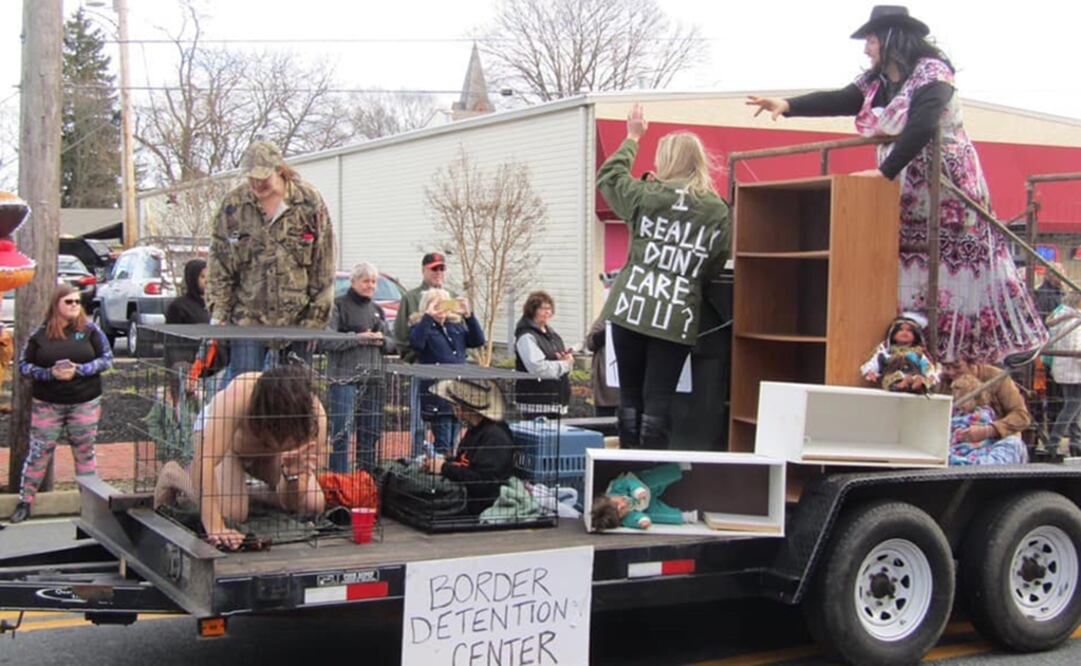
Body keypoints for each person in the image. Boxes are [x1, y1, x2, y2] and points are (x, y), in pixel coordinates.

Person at [747, 5, 1046, 365]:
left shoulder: (933, 75)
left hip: (946, 187)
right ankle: (917, 350)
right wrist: (788, 105)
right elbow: (842, 98)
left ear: (891, 37)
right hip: (906, 190)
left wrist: (885, 171)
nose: (866, 49)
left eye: (871, 40)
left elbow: (921, 125)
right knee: (909, 264)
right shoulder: (877, 82)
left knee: (951, 264)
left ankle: (968, 351)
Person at [596, 103, 730, 450]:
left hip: (631, 306)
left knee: (629, 397)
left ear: (667, 161)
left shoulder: (647, 195)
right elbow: (716, 260)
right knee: (659, 400)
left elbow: (609, 178)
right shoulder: (716, 209)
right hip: (675, 314)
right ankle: (651, 473)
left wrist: (632, 137)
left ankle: (626, 470)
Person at [154, 364, 328, 550]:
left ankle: (242, 492)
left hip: (268, 456)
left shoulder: (314, 423)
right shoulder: (239, 394)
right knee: (231, 512)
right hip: (227, 446)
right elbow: (204, 460)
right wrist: (216, 526)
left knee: (313, 502)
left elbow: (290, 503)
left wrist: (291, 475)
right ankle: (174, 474)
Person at [206, 140, 335, 379]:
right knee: (244, 393)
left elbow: (324, 265)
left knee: (292, 398)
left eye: (263, 178)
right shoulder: (233, 206)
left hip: (297, 321)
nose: (257, 184)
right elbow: (219, 263)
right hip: (248, 319)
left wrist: (316, 320)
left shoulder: (308, 202)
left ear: (279, 170)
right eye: (251, 178)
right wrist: (219, 313)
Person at [9, 285, 113, 524]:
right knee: (39, 451)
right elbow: (24, 365)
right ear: (56, 304)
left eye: (77, 302)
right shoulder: (40, 334)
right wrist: (49, 373)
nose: (75, 306)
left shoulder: (90, 330)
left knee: (85, 452)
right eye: (69, 302)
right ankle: (26, 501)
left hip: (84, 401)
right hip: (48, 403)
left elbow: (107, 359)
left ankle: (89, 504)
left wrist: (81, 370)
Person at [323, 261, 395, 472]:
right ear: (353, 282)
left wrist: (382, 340)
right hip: (343, 378)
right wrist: (358, 338)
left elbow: (393, 343)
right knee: (341, 432)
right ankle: (339, 476)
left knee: (370, 431)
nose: (370, 286)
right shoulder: (338, 306)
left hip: (373, 379)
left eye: (373, 282)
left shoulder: (377, 310)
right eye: (366, 281)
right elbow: (326, 340)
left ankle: (366, 476)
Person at [422, 379, 515, 516]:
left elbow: (484, 483)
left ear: (463, 408)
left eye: (455, 404)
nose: (453, 409)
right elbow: (466, 464)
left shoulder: (495, 436)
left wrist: (443, 468)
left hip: (479, 503)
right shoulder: (476, 429)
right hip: (464, 494)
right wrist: (442, 464)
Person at [408, 288, 485, 453]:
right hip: (438, 394)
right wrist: (428, 316)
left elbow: (478, 340)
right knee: (443, 442)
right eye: (437, 305)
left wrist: (469, 316)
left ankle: (443, 466)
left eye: (445, 304)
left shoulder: (455, 327)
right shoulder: (422, 327)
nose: (441, 310)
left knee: (454, 442)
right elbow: (417, 344)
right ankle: (438, 468)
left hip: (457, 394)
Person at [940, 356, 1029, 465]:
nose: (951, 372)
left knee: (1014, 444)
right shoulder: (944, 381)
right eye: (946, 367)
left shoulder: (997, 377)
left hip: (994, 444)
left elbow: (1021, 416)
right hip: (956, 447)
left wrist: (989, 430)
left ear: (973, 362)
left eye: (957, 366)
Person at [514, 290, 573, 415]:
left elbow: (557, 360)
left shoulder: (553, 335)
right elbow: (538, 368)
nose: (548, 312)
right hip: (536, 401)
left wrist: (564, 359)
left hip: (556, 400)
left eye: (550, 309)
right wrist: (565, 365)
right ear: (532, 310)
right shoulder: (526, 336)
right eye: (543, 308)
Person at [591, 463, 698, 531]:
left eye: (617, 503)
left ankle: (678, 468)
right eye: (622, 511)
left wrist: (637, 491)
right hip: (645, 506)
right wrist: (642, 521)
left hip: (644, 486)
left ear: (608, 497)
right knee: (655, 515)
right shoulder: (624, 519)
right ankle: (685, 517)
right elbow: (632, 519)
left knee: (655, 478)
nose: (623, 504)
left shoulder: (616, 488)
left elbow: (628, 482)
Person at [860, 312, 940, 393]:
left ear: (915, 336)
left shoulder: (918, 353)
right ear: (893, 335)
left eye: (909, 330)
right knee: (894, 376)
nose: (905, 332)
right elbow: (876, 362)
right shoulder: (887, 351)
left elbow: (926, 365)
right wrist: (871, 371)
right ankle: (902, 383)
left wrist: (930, 375)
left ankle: (916, 383)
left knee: (917, 378)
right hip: (893, 375)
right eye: (900, 330)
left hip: (913, 374)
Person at [1045, 292, 1081, 457]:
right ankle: (1055, 440)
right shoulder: (1074, 320)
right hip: (1074, 369)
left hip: (1064, 368)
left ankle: (1075, 441)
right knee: (1073, 406)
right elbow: (1076, 348)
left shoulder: (1061, 315)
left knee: (1072, 405)